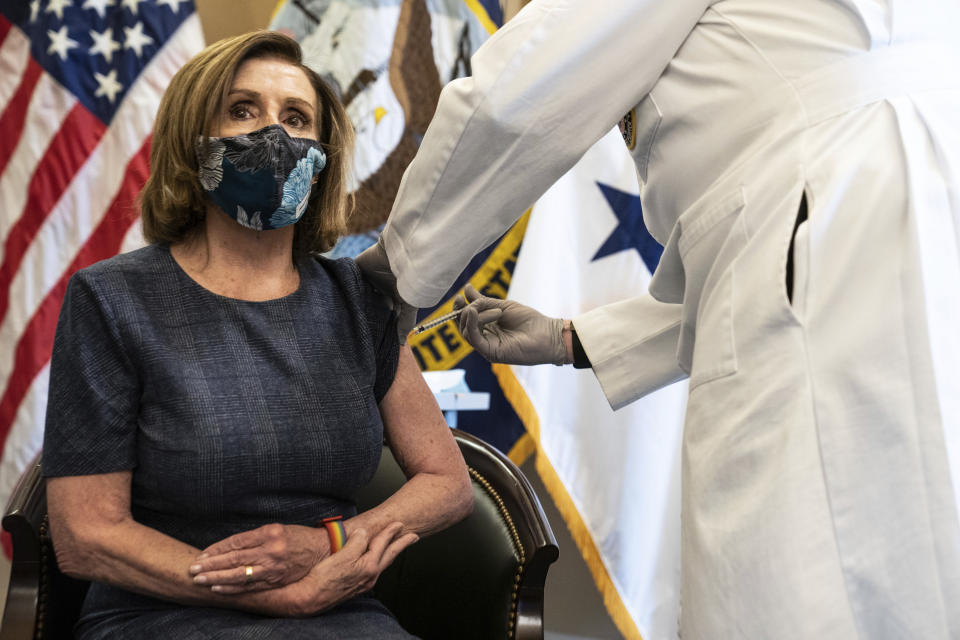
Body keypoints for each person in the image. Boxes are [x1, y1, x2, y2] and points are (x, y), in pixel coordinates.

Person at [356, 1, 960, 637]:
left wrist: (389, 281)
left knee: (794, 585)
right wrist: (572, 339)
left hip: (833, 224)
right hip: (863, 226)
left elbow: (518, 97)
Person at [42, 31, 473, 639]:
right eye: (242, 110)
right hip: (164, 610)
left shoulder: (359, 302)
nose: (272, 135)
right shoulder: (112, 299)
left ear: (322, 159)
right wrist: (272, 595)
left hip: (336, 609)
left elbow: (447, 484)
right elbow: (86, 537)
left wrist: (330, 544)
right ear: (194, 143)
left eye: (296, 118)